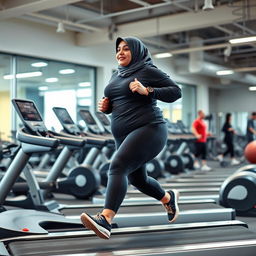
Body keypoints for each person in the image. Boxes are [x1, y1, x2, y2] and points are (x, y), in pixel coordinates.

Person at [80, 36, 182, 239]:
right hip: (123, 134)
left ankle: (105, 219)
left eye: (126, 48)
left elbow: (175, 92)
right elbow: (118, 101)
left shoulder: (146, 70)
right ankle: (168, 198)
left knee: (117, 166)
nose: (120, 52)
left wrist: (148, 90)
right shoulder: (116, 75)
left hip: (149, 129)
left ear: (136, 51)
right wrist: (106, 108)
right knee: (139, 179)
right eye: (118, 49)